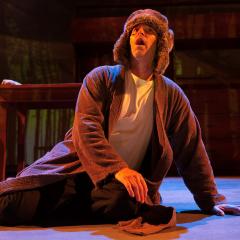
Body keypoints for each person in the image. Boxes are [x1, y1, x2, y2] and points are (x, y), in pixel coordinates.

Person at [0, 9, 239, 234]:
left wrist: (210, 199)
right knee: (10, 203)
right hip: (75, 172)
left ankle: (64, 211)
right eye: (134, 30)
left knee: (127, 200)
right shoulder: (101, 78)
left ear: (162, 44)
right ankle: (61, 208)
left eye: (148, 30)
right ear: (126, 40)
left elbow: (191, 148)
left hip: (120, 189)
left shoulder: (171, 94)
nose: (139, 33)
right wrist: (117, 169)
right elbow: (87, 129)